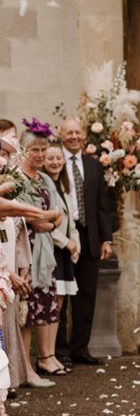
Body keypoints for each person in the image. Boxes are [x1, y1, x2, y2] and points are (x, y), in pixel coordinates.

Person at [58, 117, 114, 365]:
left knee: (86, 296)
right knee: (61, 296)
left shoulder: (93, 166)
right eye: (69, 132)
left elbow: (102, 206)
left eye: (77, 132)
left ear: (83, 135)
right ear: (61, 135)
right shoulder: (55, 162)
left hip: (89, 237)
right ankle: (60, 352)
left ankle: (81, 349)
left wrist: (107, 239)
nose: (73, 136)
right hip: (62, 237)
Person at [17, 127, 63, 382]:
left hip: (45, 249)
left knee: (41, 308)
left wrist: (51, 223)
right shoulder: (18, 178)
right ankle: (25, 369)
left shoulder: (44, 179)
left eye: (44, 149)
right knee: (25, 312)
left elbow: (57, 212)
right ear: (25, 150)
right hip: (26, 248)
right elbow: (21, 213)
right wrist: (38, 220)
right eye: (35, 149)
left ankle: (36, 364)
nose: (41, 154)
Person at [44, 144, 80, 343]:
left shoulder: (64, 185)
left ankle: (55, 351)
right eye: (50, 158)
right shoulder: (44, 185)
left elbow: (71, 222)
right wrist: (66, 243)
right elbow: (46, 223)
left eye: (58, 158)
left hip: (66, 252)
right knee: (53, 303)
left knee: (60, 303)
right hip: (53, 249)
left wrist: (76, 246)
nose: (55, 162)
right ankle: (50, 352)